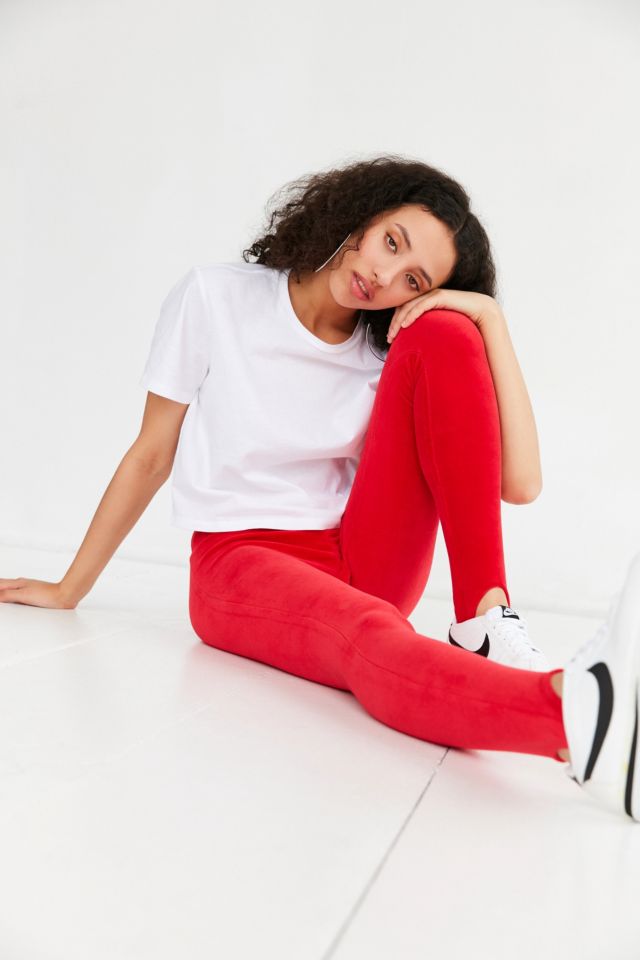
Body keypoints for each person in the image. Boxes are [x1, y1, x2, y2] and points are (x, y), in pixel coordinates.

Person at [1, 155, 638, 822]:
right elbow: (152, 455)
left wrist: (487, 319)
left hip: (360, 554)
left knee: (448, 332)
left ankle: (484, 619)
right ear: (361, 213)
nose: (385, 277)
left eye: (413, 280)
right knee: (367, 633)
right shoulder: (215, 298)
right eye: (391, 242)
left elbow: (521, 483)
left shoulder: (388, 344)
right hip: (240, 563)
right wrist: (70, 588)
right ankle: (575, 716)